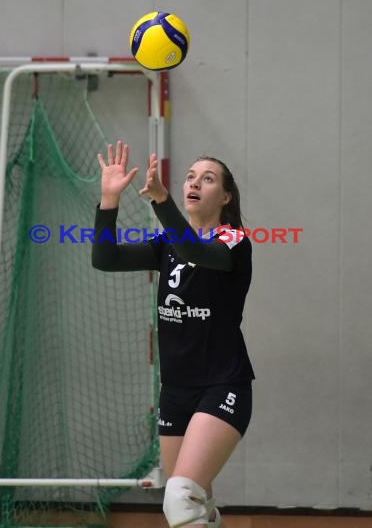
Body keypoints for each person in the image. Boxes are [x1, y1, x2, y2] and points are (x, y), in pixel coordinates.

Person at [92, 140, 255, 528]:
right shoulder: (166, 243)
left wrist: (161, 201)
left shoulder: (233, 241)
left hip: (223, 385)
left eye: (208, 179)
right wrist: (108, 201)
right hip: (176, 390)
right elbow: (105, 259)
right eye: (190, 177)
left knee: (179, 500)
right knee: (195, 505)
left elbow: (196, 252)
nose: (195, 183)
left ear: (226, 196)